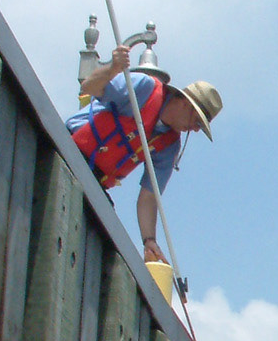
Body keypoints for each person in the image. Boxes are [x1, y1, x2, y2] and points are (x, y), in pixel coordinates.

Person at [66, 45, 223, 263]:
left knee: (101, 229)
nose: (195, 130)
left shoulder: (169, 146)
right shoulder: (143, 88)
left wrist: (149, 241)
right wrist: (112, 68)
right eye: (197, 122)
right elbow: (90, 86)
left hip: (95, 179)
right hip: (69, 149)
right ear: (185, 102)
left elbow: (149, 196)